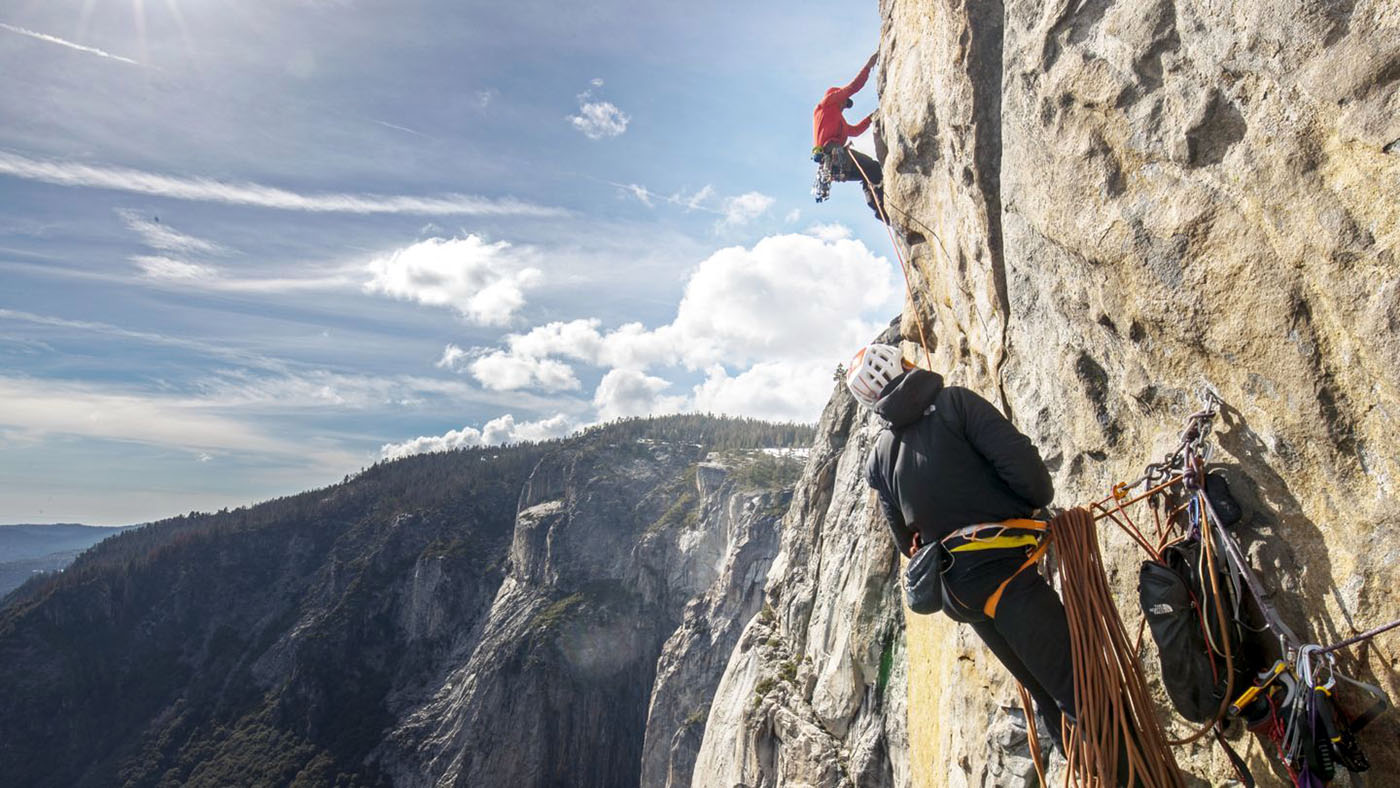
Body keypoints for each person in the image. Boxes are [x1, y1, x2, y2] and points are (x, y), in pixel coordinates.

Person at [847, 342, 1076, 753]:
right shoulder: (956, 404)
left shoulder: (878, 460)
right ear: (904, 364)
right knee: (1083, 694)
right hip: (1008, 573)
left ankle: (1092, 771)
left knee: (1051, 703)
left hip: (961, 595)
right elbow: (1036, 484)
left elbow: (907, 543)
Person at [812, 53, 885, 220]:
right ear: (838, 97)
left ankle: (880, 209)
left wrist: (872, 117)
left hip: (835, 164)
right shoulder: (826, 104)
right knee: (872, 168)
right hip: (834, 153)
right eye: (845, 102)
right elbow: (853, 87)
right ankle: (879, 207)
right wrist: (868, 66)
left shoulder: (841, 122)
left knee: (871, 171)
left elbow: (856, 130)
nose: (845, 105)